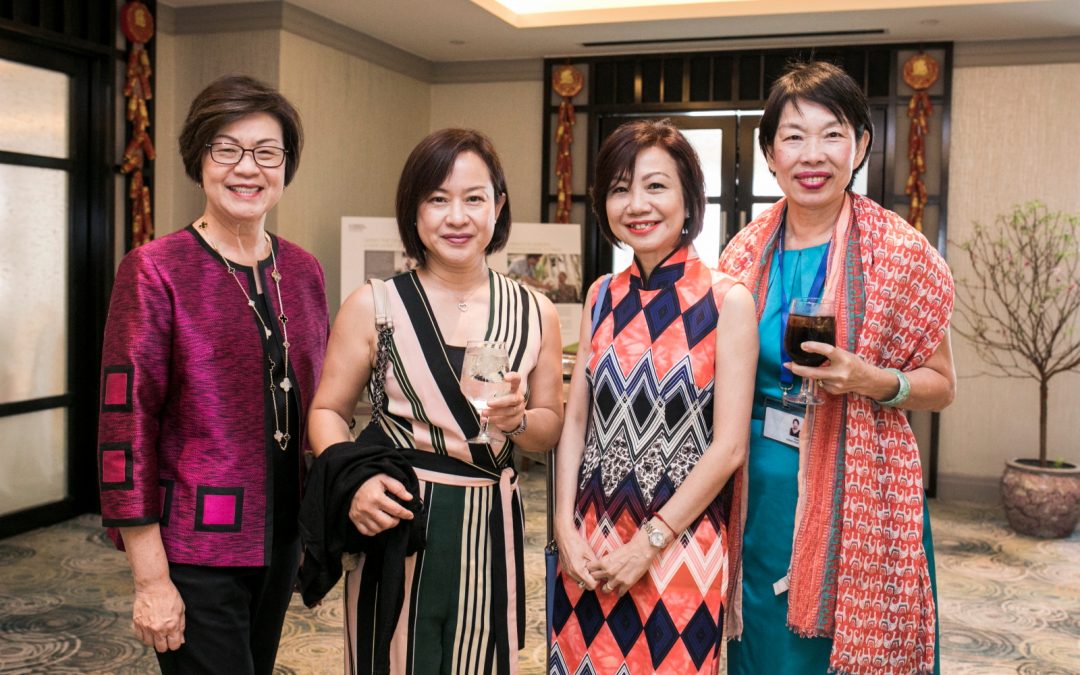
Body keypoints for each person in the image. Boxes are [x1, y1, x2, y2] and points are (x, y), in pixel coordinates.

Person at [718, 61, 955, 675]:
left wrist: (872, 380)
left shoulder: (901, 254)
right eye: (793, 137)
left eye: (832, 133)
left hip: (862, 491)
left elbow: (941, 386)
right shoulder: (743, 252)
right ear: (770, 154)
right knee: (761, 644)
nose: (812, 155)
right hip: (757, 491)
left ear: (861, 146)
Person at [306, 128, 564, 673]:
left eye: (474, 198)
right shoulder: (374, 304)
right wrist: (356, 480)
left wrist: (519, 422)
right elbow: (327, 411)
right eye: (438, 199)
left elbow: (548, 430)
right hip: (401, 519)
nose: (457, 216)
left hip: (490, 521)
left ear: (499, 206)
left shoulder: (536, 310)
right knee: (394, 658)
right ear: (414, 211)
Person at [96, 75, 329, 674]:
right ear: (199, 159)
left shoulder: (301, 271)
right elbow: (125, 426)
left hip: (280, 540)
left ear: (285, 166)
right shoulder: (155, 269)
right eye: (226, 149)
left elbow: (316, 404)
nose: (246, 168)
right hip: (195, 548)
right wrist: (150, 578)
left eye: (266, 153)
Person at [550, 119, 757, 674]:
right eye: (620, 189)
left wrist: (647, 544)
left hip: (678, 548)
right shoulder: (601, 295)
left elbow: (729, 449)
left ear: (690, 198)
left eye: (655, 186)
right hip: (590, 543)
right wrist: (564, 529)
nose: (636, 204)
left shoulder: (727, 300)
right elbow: (577, 425)